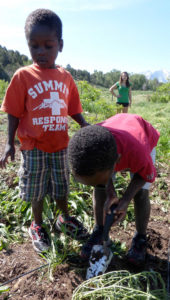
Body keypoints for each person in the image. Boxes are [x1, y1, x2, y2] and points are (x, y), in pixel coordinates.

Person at [0, 9, 89, 253]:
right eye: (34, 46)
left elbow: (72, 107)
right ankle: (37, 224)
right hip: (34, 146)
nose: (41, 52)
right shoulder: (23, 76)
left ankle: (64, 218)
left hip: (60, 145)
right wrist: (9, 143)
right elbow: (13, 112)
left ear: (60, 45)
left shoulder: (65, 77)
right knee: (37, 189)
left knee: (62, 186)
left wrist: (84, 124)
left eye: (48, 46)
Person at [68, 113, 160, 265]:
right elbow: (101, 179)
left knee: (141, 194)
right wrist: (110, 193)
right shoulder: (91, 144)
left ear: (116, 163)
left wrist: (124, 201)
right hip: (115, 139)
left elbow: (145, 175)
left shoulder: (138, 152)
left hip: (141, 136)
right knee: (100, 189)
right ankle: (99, 231)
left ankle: (140, 238)